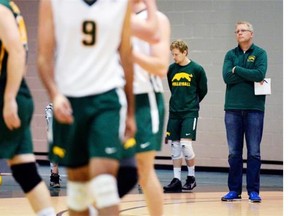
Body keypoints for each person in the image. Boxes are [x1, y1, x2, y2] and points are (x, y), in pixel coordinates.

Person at [37, 1, 135, 216]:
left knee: (104, 184)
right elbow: (43, 57)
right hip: (70, 101)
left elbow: (126, 54)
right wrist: (55, 94)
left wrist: (130, 112)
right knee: (78, 191)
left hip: (107, 96)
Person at [0, 1, 55, 215]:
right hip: (15, 94)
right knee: (25, 171)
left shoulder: (2, 9)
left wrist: (10, 97)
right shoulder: (9, 6)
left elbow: (17, 52)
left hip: (7, 94)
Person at [120, 1, 171, 215]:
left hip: (144, 100)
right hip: (113, 99)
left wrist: (128, 53)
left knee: (143, 170)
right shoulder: (113, 16)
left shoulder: (156, 19)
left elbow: (160, 67)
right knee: (101, 166)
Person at [221, 21, 268, 203]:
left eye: (243, 30)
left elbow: (259, 74)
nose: (239, 33)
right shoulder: (230, 54)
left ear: (251, 33)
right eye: (237, 31)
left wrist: (237, 70)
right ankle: (234, 190)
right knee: (234, 152)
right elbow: (227, 77)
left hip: (254, 109)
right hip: (232, 109)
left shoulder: (260, 53)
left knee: (254, 152)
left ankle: (253, 191)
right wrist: (246, 73)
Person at [163, 40, 208, 193]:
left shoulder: (197, 69)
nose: (174, 57)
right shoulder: (171, 69)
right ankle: (176, 180)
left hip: (189, 112)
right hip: (174, 112)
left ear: (184, 52)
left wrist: (191, 103)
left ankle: (191, 177)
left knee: (185, 145)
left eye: (176, 54)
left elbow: (203, 90)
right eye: (172, 54)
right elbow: (172, 88)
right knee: (174, 146)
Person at [45, 103, 61, 188]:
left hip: (72, 108)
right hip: (54, 109)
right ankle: (54, 176)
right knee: (54, 141)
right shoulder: (50, 108)